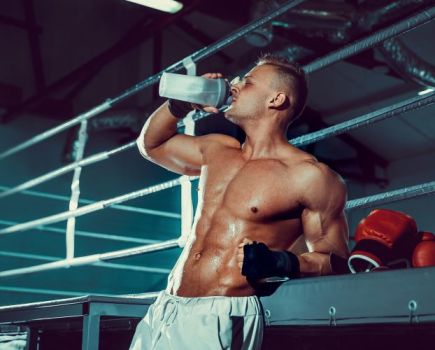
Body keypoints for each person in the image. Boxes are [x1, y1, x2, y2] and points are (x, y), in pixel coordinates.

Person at [129, 54, 349, 350]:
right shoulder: (217, 150)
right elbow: (150, 145)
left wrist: (280, 262)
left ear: (276, 99)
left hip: (223, 314)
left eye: (247, 82)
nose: (233, 85)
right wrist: (180, 106)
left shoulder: (309, 177)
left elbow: (335, 261)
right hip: (167, 306)